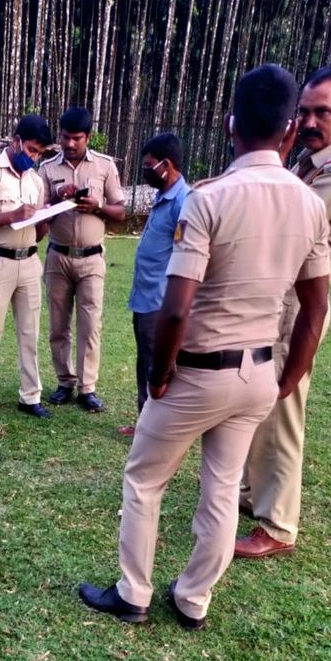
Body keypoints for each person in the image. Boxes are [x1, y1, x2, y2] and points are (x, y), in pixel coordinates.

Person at [78, 64, 330, 631]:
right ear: (290, 129)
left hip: (196, 371)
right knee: (220, 487)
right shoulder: (309, 202)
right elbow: (315, 307)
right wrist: (288, 377)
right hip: (258, 374)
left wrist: (160, 374)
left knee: (145, 479)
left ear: (230, 124)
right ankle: (193, 599)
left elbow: (176, 307)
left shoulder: (211, 198)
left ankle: (133, 593)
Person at [236, 64, 331, 558]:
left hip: (300, 306)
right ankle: (253, 495)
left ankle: (277, 525)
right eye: (305, 112)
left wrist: (272, 159)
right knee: (259, 402)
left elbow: (286, 218)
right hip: (277, 300)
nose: (312, 121)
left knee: (283, 410)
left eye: (324, 112)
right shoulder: (314, 162)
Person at [0, 114, 54, 420]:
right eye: (30, 149)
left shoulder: (36, 181)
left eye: (39, 153)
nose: (34, 157)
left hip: (29, 262)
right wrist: (10, 216)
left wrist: (46, 218)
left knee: (30, 333)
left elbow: (39, 231)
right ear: (15, 141)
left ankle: (30, 396)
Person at [39, 107, 125, 412]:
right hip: (57, 257)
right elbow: (38, 213)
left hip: (92, 260)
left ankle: (87, 388)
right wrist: (57, 199)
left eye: (77, 138)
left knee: (90, 325)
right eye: (65, 137)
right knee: (58, 325)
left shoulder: (104, 167)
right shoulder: (47, 169)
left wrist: (97, 205)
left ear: (88, 137)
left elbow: (120, 211)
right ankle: (65, 382)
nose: (70, 143)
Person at [118, 133, 190, 437]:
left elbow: (186, 256)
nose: (145, 171)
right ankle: (145, 422)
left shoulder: (184, 202)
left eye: (149, 165)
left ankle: (158, 428)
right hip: (145, 298)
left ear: (167, 164)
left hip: (161, 302)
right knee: (145, 362)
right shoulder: (164, 196)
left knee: (159, 365)